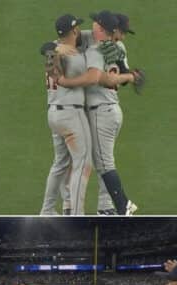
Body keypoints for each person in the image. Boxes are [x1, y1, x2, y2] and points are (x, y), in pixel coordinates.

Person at [57, 11, 139, 215]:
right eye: (122, 32)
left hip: (101, 110)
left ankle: (121, 205)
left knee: (101, 161)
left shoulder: (105, 48)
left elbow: (102, 78)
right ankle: (105, 207)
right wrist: (131, 76)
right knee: (101, 159)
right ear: (112, 29)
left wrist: (67, 81)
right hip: (106, 110)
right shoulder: (101, 42)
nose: (122, 37)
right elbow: (67, 38)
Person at [40, 14, 91, 216]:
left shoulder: (52, 51)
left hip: (53, 113)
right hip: (71, 114)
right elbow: (93, 76)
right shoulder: (74, 57)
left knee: (60, 163)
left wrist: (54, 48)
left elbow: (47, 49)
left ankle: (47, 210)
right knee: (83, 163)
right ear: (75, 30)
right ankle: (77, 215)